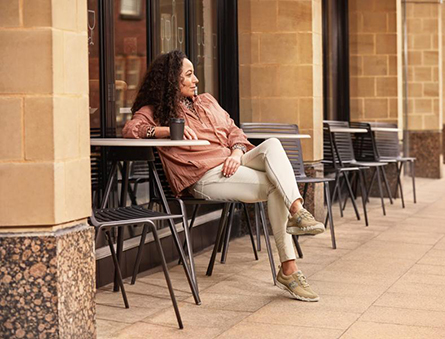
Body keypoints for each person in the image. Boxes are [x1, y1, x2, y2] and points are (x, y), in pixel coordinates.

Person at [123, 50, 325, 302]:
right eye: (188, 75)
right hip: (205, 176)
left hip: (234, 163)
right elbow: (131, 129)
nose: (196, 79)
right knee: (277, 186)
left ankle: (297, 211)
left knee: (272, 143)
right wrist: (165, 131)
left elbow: (234, 131)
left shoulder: (207, 101)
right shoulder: (156, 111)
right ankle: (289, 269)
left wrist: (237, 152)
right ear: (171, 80)